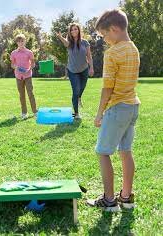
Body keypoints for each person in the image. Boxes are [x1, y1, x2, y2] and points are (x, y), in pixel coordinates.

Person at [87, 9, 140, 211]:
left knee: (103, 152)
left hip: (117, 108)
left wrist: (100, 112)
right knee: (125, 151)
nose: (105, 40)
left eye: (104, 35)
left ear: (114, 29)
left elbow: (108, 86)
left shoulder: (113, 53)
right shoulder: (133, 49)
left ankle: (109, 201)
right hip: (132, 106)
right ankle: (126, 197)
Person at [56, 23, 94, 119]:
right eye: (72, 30)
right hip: (72, 70)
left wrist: (91, 67)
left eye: (75, 29)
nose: (73, 31)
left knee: (82, 87)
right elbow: (65, 42)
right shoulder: (69, 43)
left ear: (79, 30)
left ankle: (79, 97)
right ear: (70, 32)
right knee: (76, 90)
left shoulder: (85, 42)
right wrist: (60, 37)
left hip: (84, 69)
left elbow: (89, 56)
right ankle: (76, 113)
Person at [10, 33, 37, 119]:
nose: (21, 43)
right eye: (19, 41)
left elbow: (33, 64)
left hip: (28, 75)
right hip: (18, 76)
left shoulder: (29, 52)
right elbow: (12, 65)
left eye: (22, 41)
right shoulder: (13, 53)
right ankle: (24, 113)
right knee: (22, 95)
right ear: (17, 43)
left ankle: (35, 111)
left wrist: (30, 68)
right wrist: (16, 67)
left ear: (25, 41)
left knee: (30, 93)